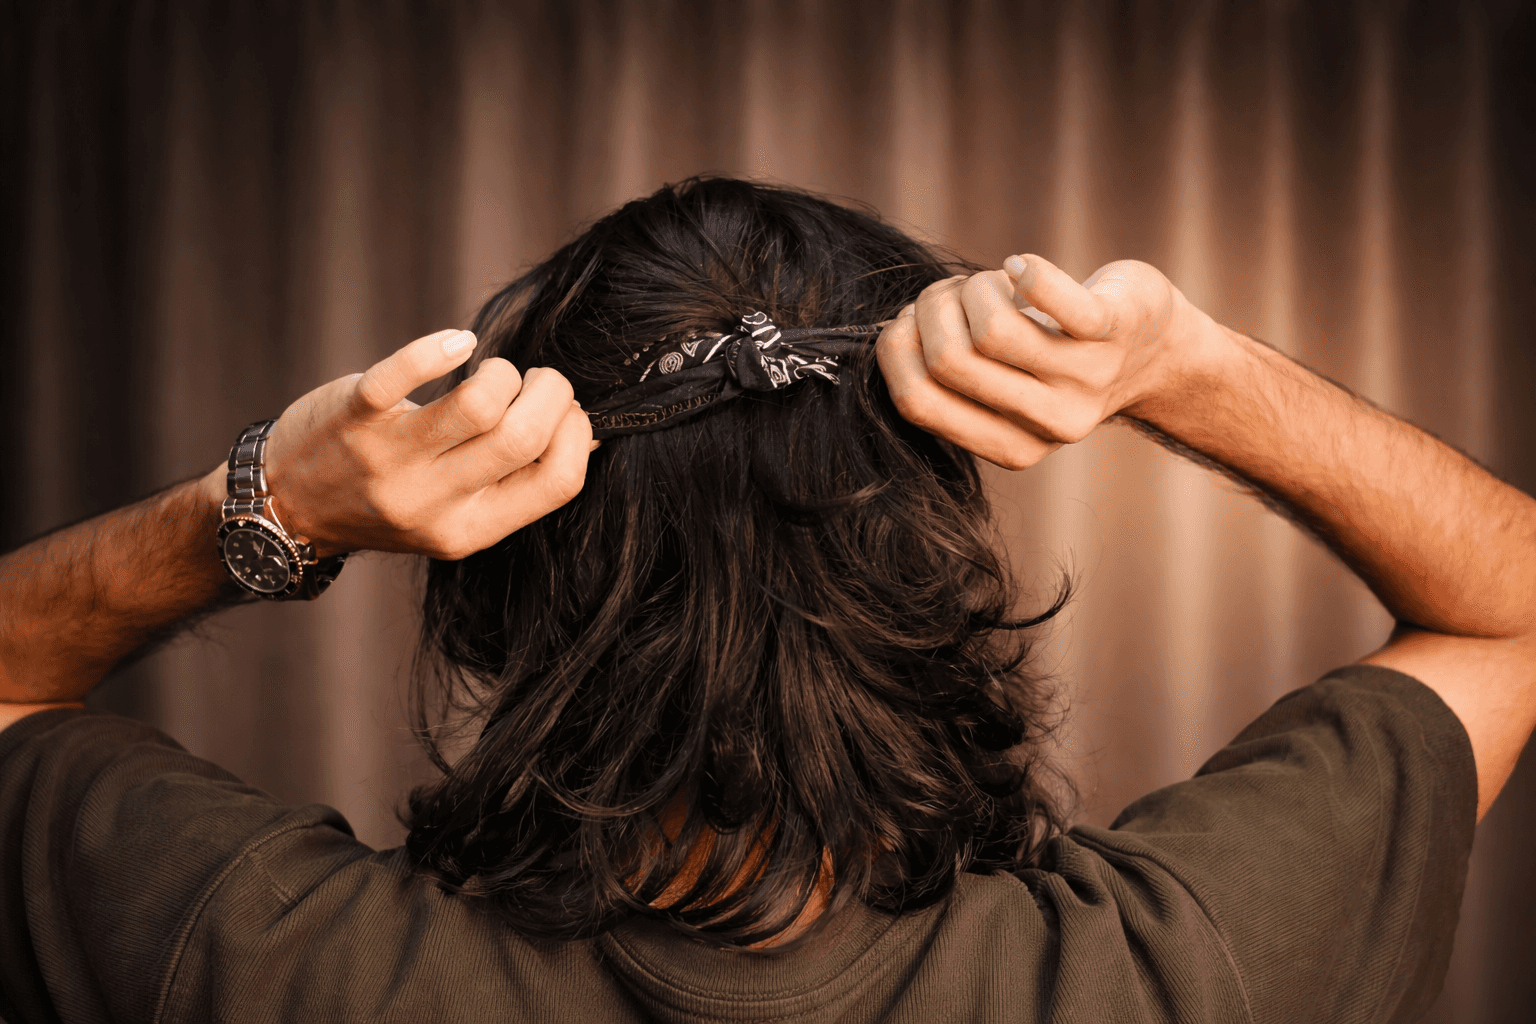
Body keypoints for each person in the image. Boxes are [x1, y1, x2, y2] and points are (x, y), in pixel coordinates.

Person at [0, 176, 1530, 1023]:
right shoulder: (1178, 967)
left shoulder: (271, 964)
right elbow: (1511, 610)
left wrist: (267, 502)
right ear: (931, 553)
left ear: (503, 575)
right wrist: (1185, 365)